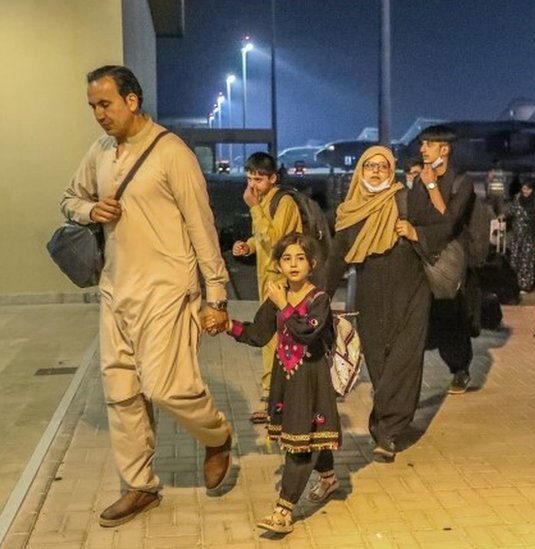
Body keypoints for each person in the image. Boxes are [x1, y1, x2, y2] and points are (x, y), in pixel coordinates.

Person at [60, 65, 232, 527]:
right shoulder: (98, 151)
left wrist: (215, 295)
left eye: (105, 104)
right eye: (93, 106)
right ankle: (140, 486)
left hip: (166, 292)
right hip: (115, 291)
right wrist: (90, 208)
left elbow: (201, 225)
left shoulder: (171, 152)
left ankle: (217, 436)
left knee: (166, 387)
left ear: (131, 101)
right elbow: (68, 200)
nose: (99, 115)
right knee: (121, 394)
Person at [213, 233, 340, 535]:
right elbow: (259, 334)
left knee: (298, 445)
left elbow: (306, 332)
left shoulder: (319, 299)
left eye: (300, 258)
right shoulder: (277, 296)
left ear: (312, 263)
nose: (293, 264)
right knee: (309, 434)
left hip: (312, 380)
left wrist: (283, 304)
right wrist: (227, 325)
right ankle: (329, 478)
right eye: (286, 258)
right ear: (279, 264)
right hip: (286, 379)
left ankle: (283, 510)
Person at [321, 145, 435, 463]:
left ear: (391, 170)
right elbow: (335, 261)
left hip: (412, 292)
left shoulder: (407, 200)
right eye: (369, 166)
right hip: (370, 295)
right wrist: (317, 298)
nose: (375, 171)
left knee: (404, 361)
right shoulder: (349, 212)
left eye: (382, 166)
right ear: (360, 171)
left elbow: (439, 230)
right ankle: (387, 418)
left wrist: (415, 232)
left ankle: (388, 431)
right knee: (378, 361)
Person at [232, 152, 303, 424]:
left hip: (283, 283)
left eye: (259, 179)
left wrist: (253, 208)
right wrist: (248, 246)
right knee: (269, 340)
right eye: (249, 178)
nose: (253, 186)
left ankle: (275, 401)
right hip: (268, 281)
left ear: (273, 179)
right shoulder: (265, 202)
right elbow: (262, 237)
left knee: (274, 340)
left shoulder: (282, 203)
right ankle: (274, 398)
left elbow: (277, 242)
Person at [412, 125, 479, 395]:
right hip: (420, 253)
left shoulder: (463, 182)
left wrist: (431, 186)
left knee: (450, 317)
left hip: (448, 261)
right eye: (422, 144)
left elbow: (450, 221)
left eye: (428, 144)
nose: (422, 149)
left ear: (445, 149)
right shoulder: (419, 180)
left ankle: (460, 368)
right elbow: (416, 215)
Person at [506, 179, 535, 292]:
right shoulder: (517, 199)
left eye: (528, 189)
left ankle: (525, 285)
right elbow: (510, 211)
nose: (525, 191)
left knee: (526, 261)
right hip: (516, 236)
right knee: (514, 260)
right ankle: (514, 284)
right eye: (524, 188)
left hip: (529, 236)